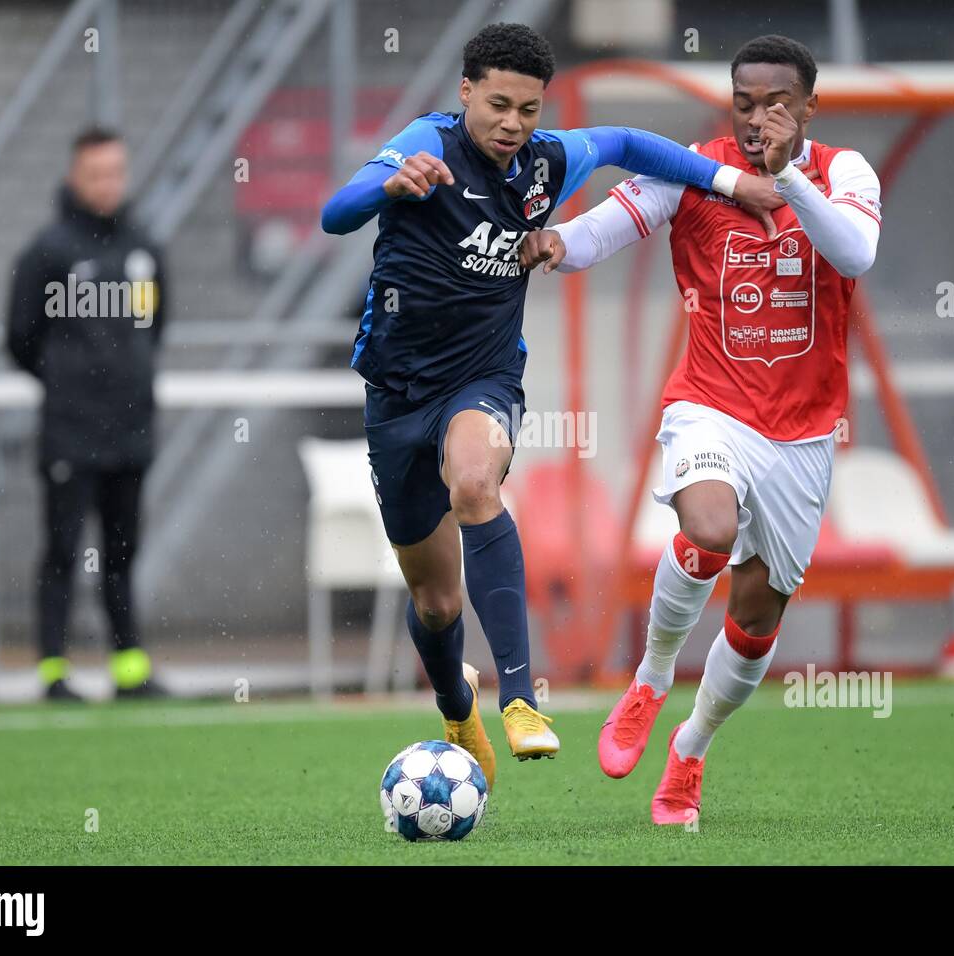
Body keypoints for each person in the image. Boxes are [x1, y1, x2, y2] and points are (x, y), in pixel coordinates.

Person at [320, 22, 775, 787]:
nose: (512, 124)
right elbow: (336, 212)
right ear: (465, 93)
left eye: (529, 110)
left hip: (484, 381)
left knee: (475, 483)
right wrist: (386, 186)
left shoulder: (543, 165)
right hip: (395, 395)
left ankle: (522, 700)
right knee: (435, 602)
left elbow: (630, 141)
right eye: (498, 105)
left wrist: (727, 184)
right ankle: (455, 703)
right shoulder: (422, 144)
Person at [521, 35, 882, 821]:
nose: (759, 120)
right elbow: (610, 226)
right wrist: (554, 242)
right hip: (711, 403)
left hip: (804, 431)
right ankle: (650, 678)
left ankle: (690, 751)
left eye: (777, 104)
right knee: (709, 527)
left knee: (755, 621)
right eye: (745, 103)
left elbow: (853, 255)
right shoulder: (697, 168)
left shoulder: (845, 172)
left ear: (808, 108)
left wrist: (788, 176)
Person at [6, 127, 168, 702]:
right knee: (62, 548)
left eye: (116, 173)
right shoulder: (47, 252)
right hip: (70, 434)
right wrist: (71, 386)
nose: (108, 184)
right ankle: (54, 669)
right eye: (96, 174)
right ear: (76, 177)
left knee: (124, 551)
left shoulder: (143, 249)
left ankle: (129, 666)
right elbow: (20, 338)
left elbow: (157, 327)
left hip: (131, 431)